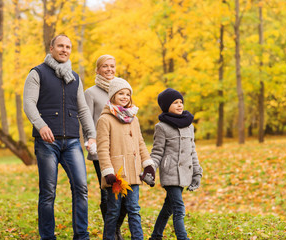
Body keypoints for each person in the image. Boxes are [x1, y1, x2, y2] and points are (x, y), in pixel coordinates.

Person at [23, 34, 96, 240]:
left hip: (73, 141)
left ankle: (81, 236)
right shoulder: (37, 73)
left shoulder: (75, 77)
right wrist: (41, 125)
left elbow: (82, 110)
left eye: (68, 47)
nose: (65, 50)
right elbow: (29, 104)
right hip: (47, 143)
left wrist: (90, 135)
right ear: (51, 48)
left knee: (81, 188)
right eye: (61, 46)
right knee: (48, 193)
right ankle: (48, 237)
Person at [96, 78, 155, 240]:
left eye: (128, 94)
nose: (125, 97)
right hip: (116, 177)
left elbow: (141, 143)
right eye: (121, 93)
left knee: (134, 209)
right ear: (113, 95)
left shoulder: (133, 119)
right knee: (114, 211)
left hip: (134, 173)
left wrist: (148, 164)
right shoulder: (105, 119)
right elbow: (102, 149)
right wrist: (108, 172)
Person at [148, 88, 203, 240]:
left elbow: (192, 151)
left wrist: (197, 172)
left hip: (185, 172)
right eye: (175, 102)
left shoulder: (189, 126)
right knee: (179, 208)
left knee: (168, 208)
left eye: (181, 102)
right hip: (170, 173)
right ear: (166, 106)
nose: (179, 105)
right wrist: (150, 169)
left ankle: (156, 236)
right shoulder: (162, 127)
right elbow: (157, 152)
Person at [84, 55, 126, 239]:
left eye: (112, 66)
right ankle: (112, 233)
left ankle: (115, 227)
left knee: (124, 194)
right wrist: (89, 141)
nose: (109, 69)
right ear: (97, 70)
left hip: (121, 149)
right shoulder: (91, 93)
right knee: (109, 192)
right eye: (105, 66)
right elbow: (85, 120)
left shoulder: (121, 90)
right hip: (100, 150)